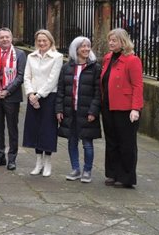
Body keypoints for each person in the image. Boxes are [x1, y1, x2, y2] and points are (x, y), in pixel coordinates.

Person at [101, 28, 143, 188]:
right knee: (111, 142)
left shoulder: (132, 60)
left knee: (126, 143)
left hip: (126, 108)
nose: (111, 43)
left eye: (114, 40)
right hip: (108, 106)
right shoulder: (107, 58)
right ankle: (112, 173)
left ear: (123, 42)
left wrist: (136, 108)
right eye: (110, 40)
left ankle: (126, 176)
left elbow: (138, 85)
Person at [56, 36, 101, 183]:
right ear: (76, 49)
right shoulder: (67, 67)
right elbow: (61, 91)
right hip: (71, 111)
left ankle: (87, 170)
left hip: (87, 112)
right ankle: (75, 169)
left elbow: (98, 93)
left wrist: (93, 111)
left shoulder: (95, 68)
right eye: (83, 46)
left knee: (87, 143)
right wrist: (59, 109)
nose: (86, 49)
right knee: (71, 141)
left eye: (88, 46)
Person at [23, 29, 64, 177]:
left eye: (44, 41)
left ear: (50, 41)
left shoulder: (57, 57)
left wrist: (39, 95)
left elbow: (52, 80)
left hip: (48, 97)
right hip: (33, 96)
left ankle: (47, 162)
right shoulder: (31, 57)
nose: (41, 43)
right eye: (39, 40)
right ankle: (38, 161)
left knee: (47, 130)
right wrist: (30, 93)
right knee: (34, 130)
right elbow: (27, 76)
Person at [0, 27, 26, 170]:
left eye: (7, 37)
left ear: (11, 37)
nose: (4, 39)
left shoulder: (20, 54)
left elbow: (21, 76)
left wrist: (7, 91)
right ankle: (0, 156)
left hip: (11, 97)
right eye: (1, 37)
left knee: (12, 128)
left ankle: (12, 158)